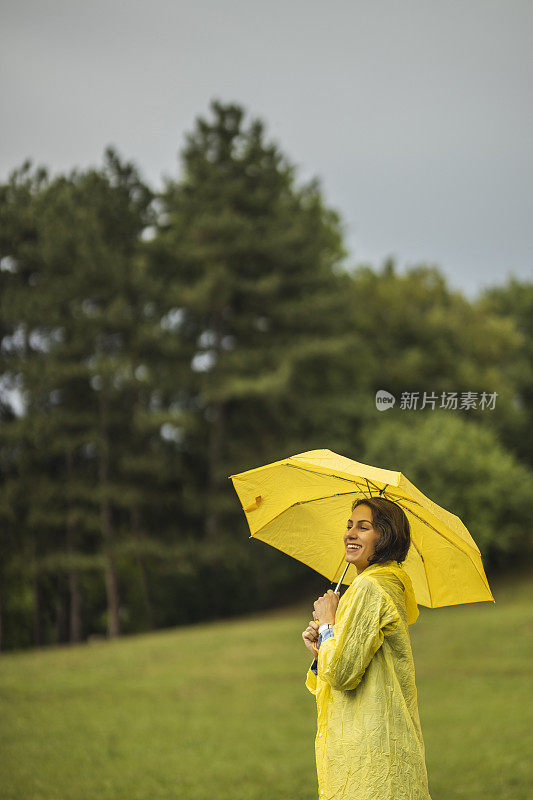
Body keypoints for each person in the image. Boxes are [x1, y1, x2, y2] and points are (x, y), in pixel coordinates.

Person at [302, 496, 432, 800]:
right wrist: (321, 645)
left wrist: (325, 623)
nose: (350, 533)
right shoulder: (380, 584)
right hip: (375, 744)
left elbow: (343, 674)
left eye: (363, 527)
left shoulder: (370, 588)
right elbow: (352, 662)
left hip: (369, 755)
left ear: (385, 537)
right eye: (349, 526)